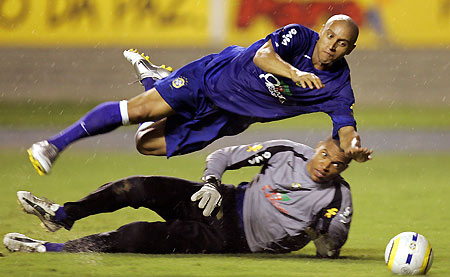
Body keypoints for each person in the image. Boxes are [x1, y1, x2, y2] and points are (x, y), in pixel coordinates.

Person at [28, 14, 369, 176]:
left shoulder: (338, 87)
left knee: (146, 144)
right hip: (211, 78)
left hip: (231, 117)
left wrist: (352, 146)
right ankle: (54, 144)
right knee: (140, 111)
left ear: (350, 49)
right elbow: (262, 56)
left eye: (342, 44)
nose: (332, 46)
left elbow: (344, 124)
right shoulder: (298, 36)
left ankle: (156, 80)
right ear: (322, 30)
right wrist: (296, 72)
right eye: (329, 36)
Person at [4, 137, 371, 257]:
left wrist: (322, 232)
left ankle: (49, 250)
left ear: (345, 168)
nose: (327, 166)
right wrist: (211, 182)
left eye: (338, 165)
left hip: (232, 238)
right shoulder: (287, 152)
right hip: (221, 200)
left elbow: (331, 249)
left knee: (136, 236)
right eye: (325, 155)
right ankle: (62, 214)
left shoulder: (338, 197)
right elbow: (224, 156)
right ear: (319, 148)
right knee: (139, 186)